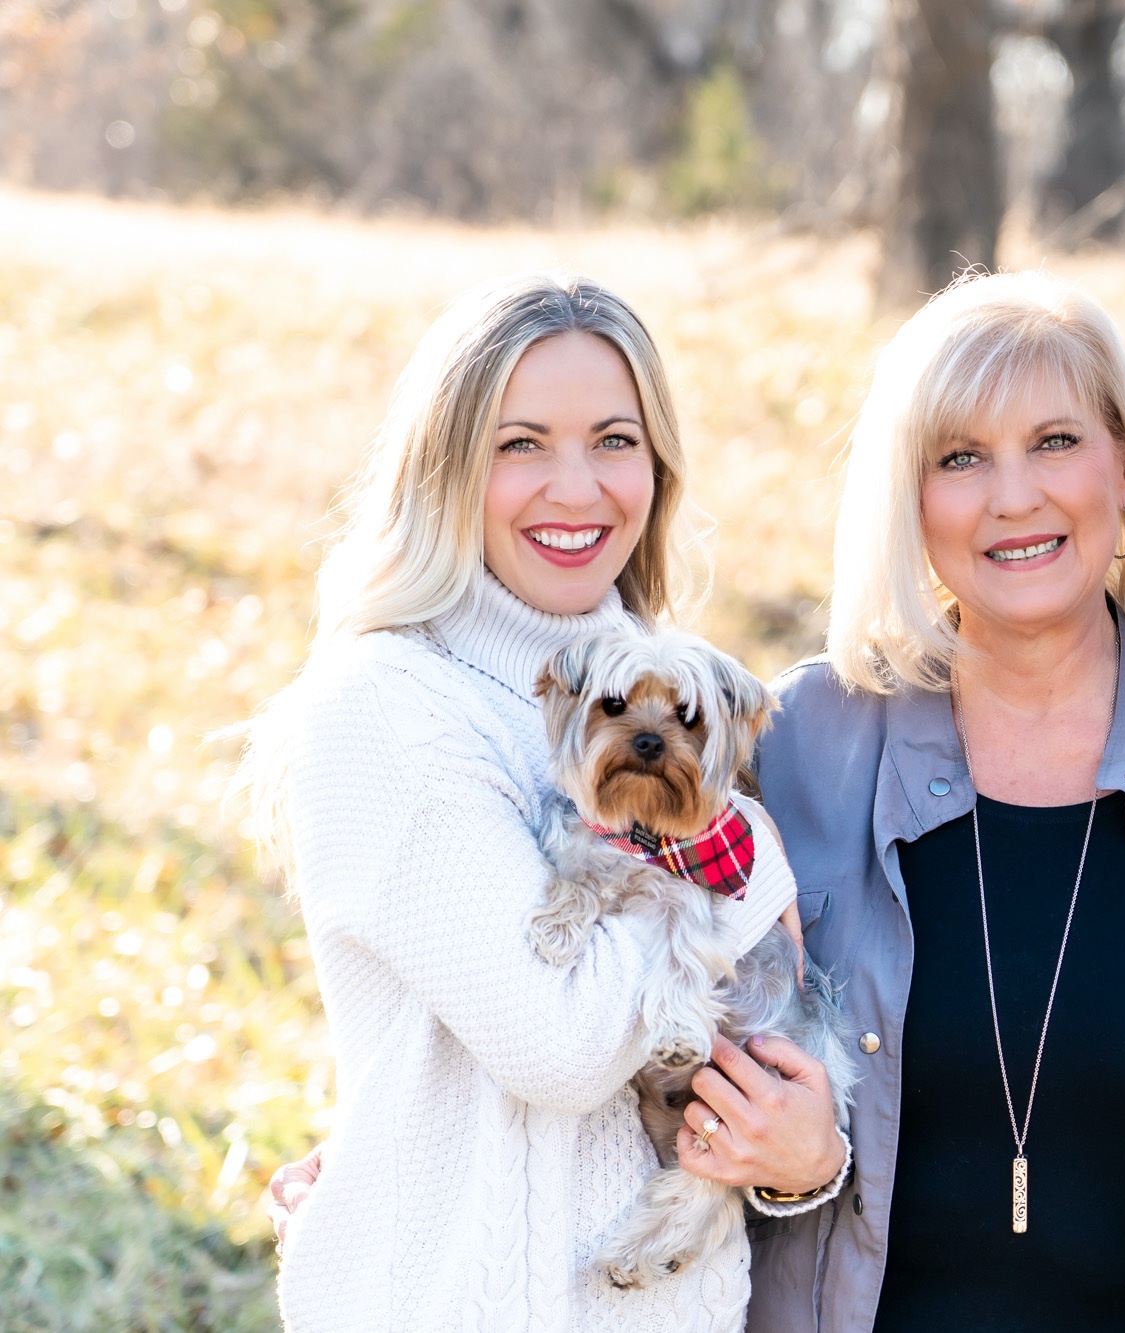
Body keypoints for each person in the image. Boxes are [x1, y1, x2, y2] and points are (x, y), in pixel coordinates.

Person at [246, 274, 846, 1332]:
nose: (576, 488)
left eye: (614, 440)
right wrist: (743, 857)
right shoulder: (390, 707)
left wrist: (804, 1153)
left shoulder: (677, 702)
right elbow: (563, 1046)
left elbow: (737, 1051)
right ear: (446, 470)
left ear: (656, 470)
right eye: (519, 444)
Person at [739, 270, 1125, 1333]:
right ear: (909, 497)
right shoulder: (794, 745)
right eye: (959, 458)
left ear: (1124, 464)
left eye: (1053, 442)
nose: (1013, 497)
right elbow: (632, 1007)